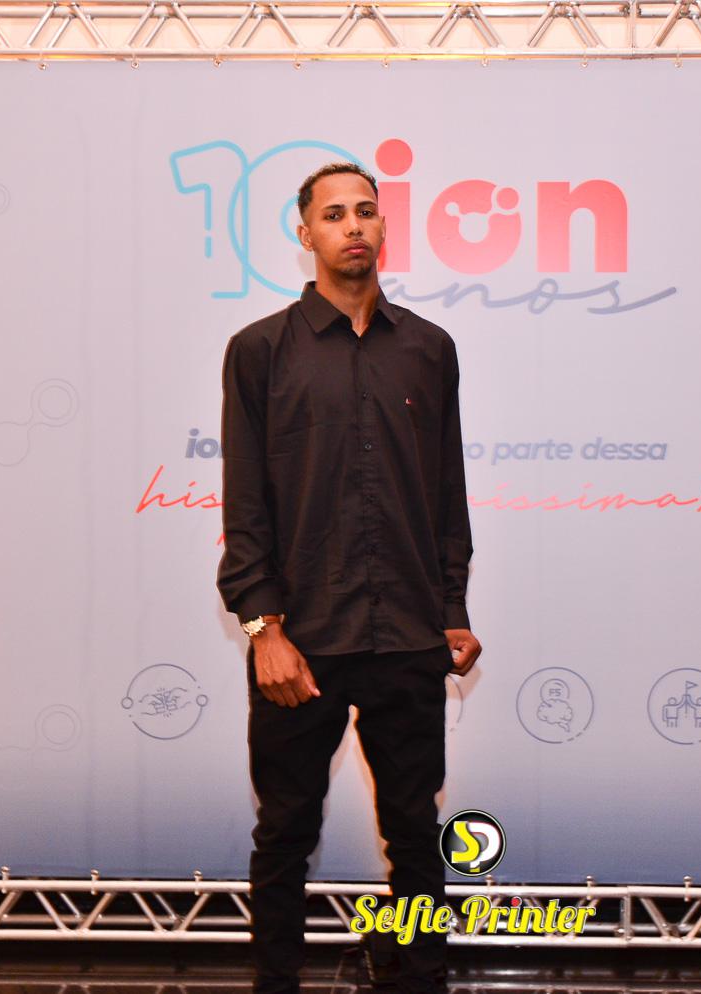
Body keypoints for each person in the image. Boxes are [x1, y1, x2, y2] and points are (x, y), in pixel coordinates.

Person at [215, 161, 483, 994]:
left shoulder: (429, 350)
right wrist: (264, 630)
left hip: (407, 636)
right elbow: (245, 504)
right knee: (285, 834)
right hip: (301, 644)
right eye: (333, 214)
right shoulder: (260, 351)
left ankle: (419, 980)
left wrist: (451, 608)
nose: (353, 225)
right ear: (306, 234)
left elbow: (445, 494)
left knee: (415, 835)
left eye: (366, 211)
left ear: (383, 227)